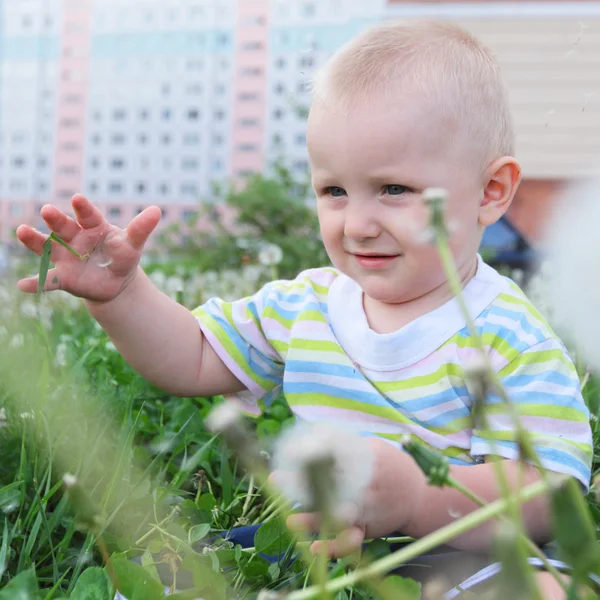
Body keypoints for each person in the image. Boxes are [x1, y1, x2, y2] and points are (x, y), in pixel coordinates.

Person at [16, 19, 592, 598]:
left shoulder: (509, 334)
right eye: (334, 192)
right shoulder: (305, 305)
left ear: (491, 192)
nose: (358, 225)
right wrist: (123, 295)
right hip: (308, 545)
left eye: (394, 189)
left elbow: (548, 492)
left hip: (460, 552)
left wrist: (419, 499)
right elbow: (191, 357)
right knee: (167, 573)